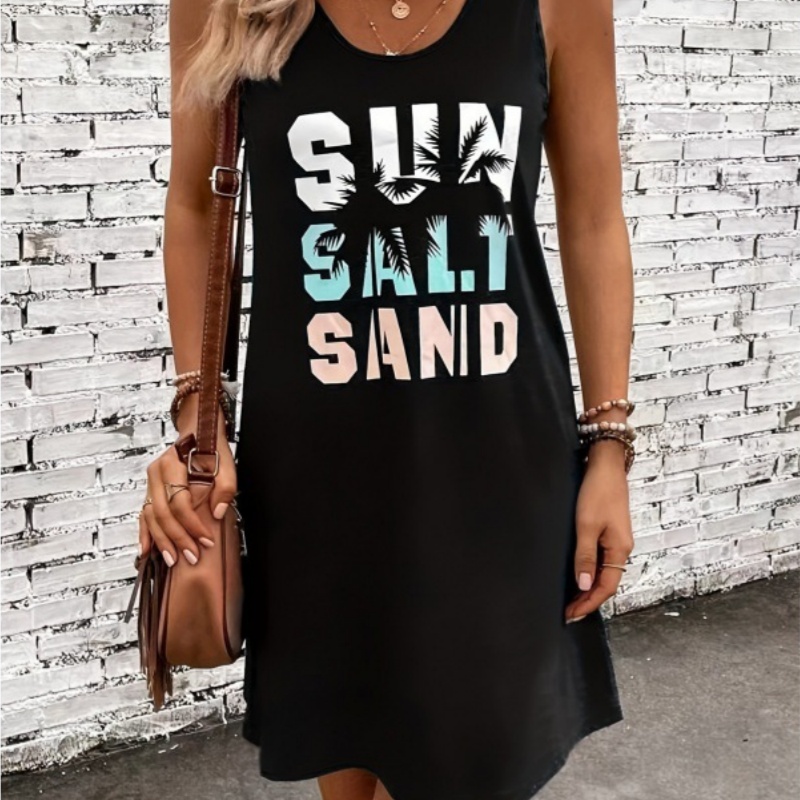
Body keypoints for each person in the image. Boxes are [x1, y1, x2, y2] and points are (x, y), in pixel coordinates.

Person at [140, 1, 635, 798]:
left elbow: (593, 216)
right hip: (317, 479)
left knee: (479, 762)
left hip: (500, 475)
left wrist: (609, 444)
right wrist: (199, 418)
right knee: (350, 755)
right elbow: (195, 205)